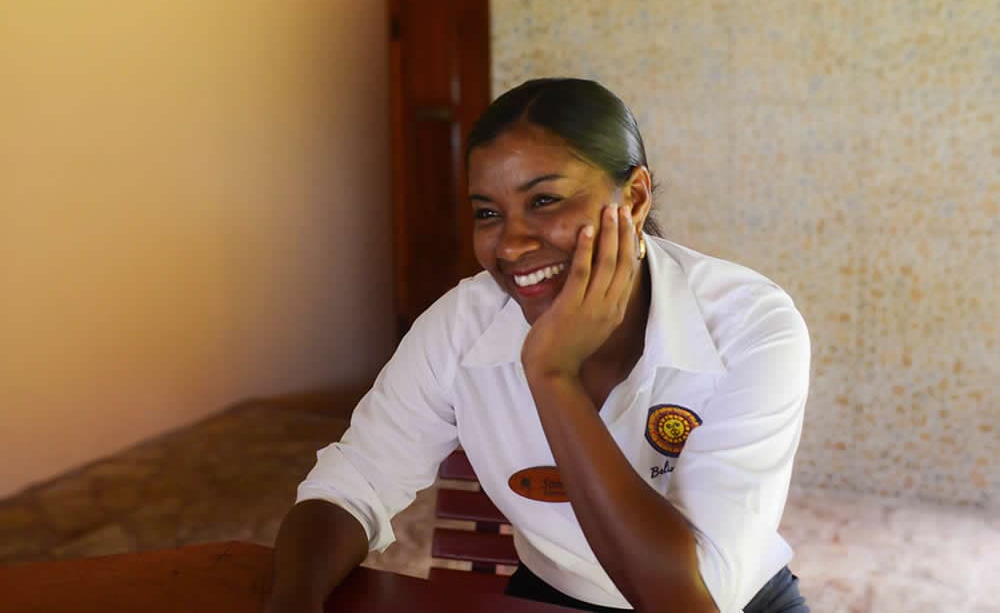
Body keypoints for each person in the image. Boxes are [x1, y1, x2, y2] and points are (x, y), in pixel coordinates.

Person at [265, 78, 811, 613]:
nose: (512, 243)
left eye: (545, 200)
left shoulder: (749, 325)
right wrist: (292, 602)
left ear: (636, 197)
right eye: (488, 213)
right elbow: (355, 481)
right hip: (557, 593)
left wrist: (552, 375)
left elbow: (692, 600)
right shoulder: (463, 325)